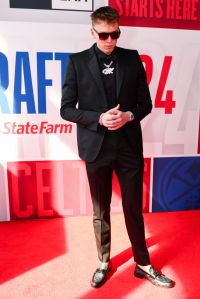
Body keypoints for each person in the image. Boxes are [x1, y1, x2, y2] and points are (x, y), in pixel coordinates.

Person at [60, 6, 174, 289]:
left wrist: (128, 116)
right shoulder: (76, 62)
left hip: (128, 147)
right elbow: (65, 109)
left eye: (115, 34)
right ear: (93, 32)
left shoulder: (132, 59)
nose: (110, 40)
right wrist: (98, 118)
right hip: (95, 148)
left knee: (133, 207)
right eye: (104, 35)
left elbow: (145, 104)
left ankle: (143, 264)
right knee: (101, 210)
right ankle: (103, 261)